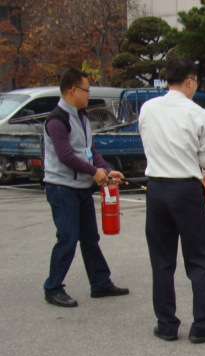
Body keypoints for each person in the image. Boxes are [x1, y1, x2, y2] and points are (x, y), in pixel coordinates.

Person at [138, 57, 205, 344]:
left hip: (156, 189)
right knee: (200, 259)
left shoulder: (148, 109)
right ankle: (202, 325)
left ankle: (166, 325)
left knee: (162, 261)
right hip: (186, 191)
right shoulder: (197, 113)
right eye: (196, 82)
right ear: (189, 81)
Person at [43, 67, 129, 307]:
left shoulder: (81, 116)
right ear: (73, 90)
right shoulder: (57, 120)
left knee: (90, 237)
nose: (89, 94)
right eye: (86, 90)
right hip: (61, 188)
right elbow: (65, 156)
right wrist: (93, 172)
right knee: (68, 238)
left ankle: (100, 283)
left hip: (80, 187)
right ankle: (53, 288)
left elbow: (90, 150)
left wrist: (106, 170)